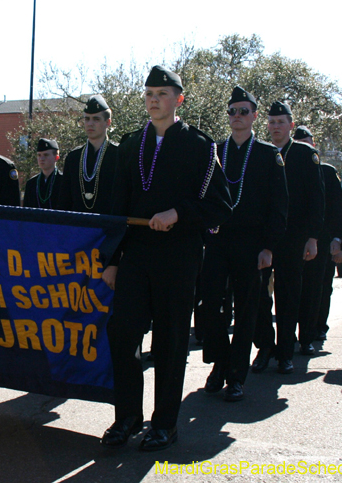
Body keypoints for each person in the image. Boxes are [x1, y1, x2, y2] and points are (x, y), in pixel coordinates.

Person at [101, 66, 232, 451]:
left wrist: (178, 213)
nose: (154, 99)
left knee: (171, 342)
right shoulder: (128, 145)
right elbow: (116, 208)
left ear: (179, 99)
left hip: (179, 258)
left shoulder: (200, 146)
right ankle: (126, 417)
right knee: (122, 333)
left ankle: (165, 424)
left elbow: (219, 206)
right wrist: (111, 260)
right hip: (135, 257)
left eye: (161, 93)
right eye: (149, 93)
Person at [201, 86, 288, 402]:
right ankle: (220, 364)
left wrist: (268, 247)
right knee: (209, 305)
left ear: (254, 116)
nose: (237, 116)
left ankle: (236, 376)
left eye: (243, 111)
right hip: (217, 240)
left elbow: (279, 206)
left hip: (252, 244)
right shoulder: (215, 151)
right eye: (232, 111)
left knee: (247, 309)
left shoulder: (268, 154)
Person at [252, 101, 324, 374]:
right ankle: (264, 347)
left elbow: (317, 200)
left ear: (291, 125)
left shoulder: (306, 154)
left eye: (281, 122)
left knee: (288, 295)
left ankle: (285, 352)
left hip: (294, 237)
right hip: (264, 236)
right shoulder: (261, 153)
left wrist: (313, 238)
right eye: (271, 122)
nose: (275, 127)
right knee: (259, 294)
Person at [292, 127, 342, 345]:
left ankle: (317, 327)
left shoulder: (326, 171)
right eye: (300, 143)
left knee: (321, 287)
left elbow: (337, 209)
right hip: (295, 239)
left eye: (307, 143)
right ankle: (296, 329)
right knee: (295, 288)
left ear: (314, 146)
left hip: (322, 239)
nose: (304, 147)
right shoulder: (286, 167)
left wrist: (338, 240)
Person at [58, 95, 119, 214]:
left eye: (96, 119)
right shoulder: (73, 157)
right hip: (78, 228)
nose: (90, 124)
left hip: (108, 227)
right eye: (87, 119)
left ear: (108, 122)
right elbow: (64, 201)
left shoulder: (119, 154)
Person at [22, 138, 63, 209]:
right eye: (39, 155)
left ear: (56, 157)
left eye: (46, 155)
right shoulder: (31, 184)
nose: (41, 158)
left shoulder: (64, 181)